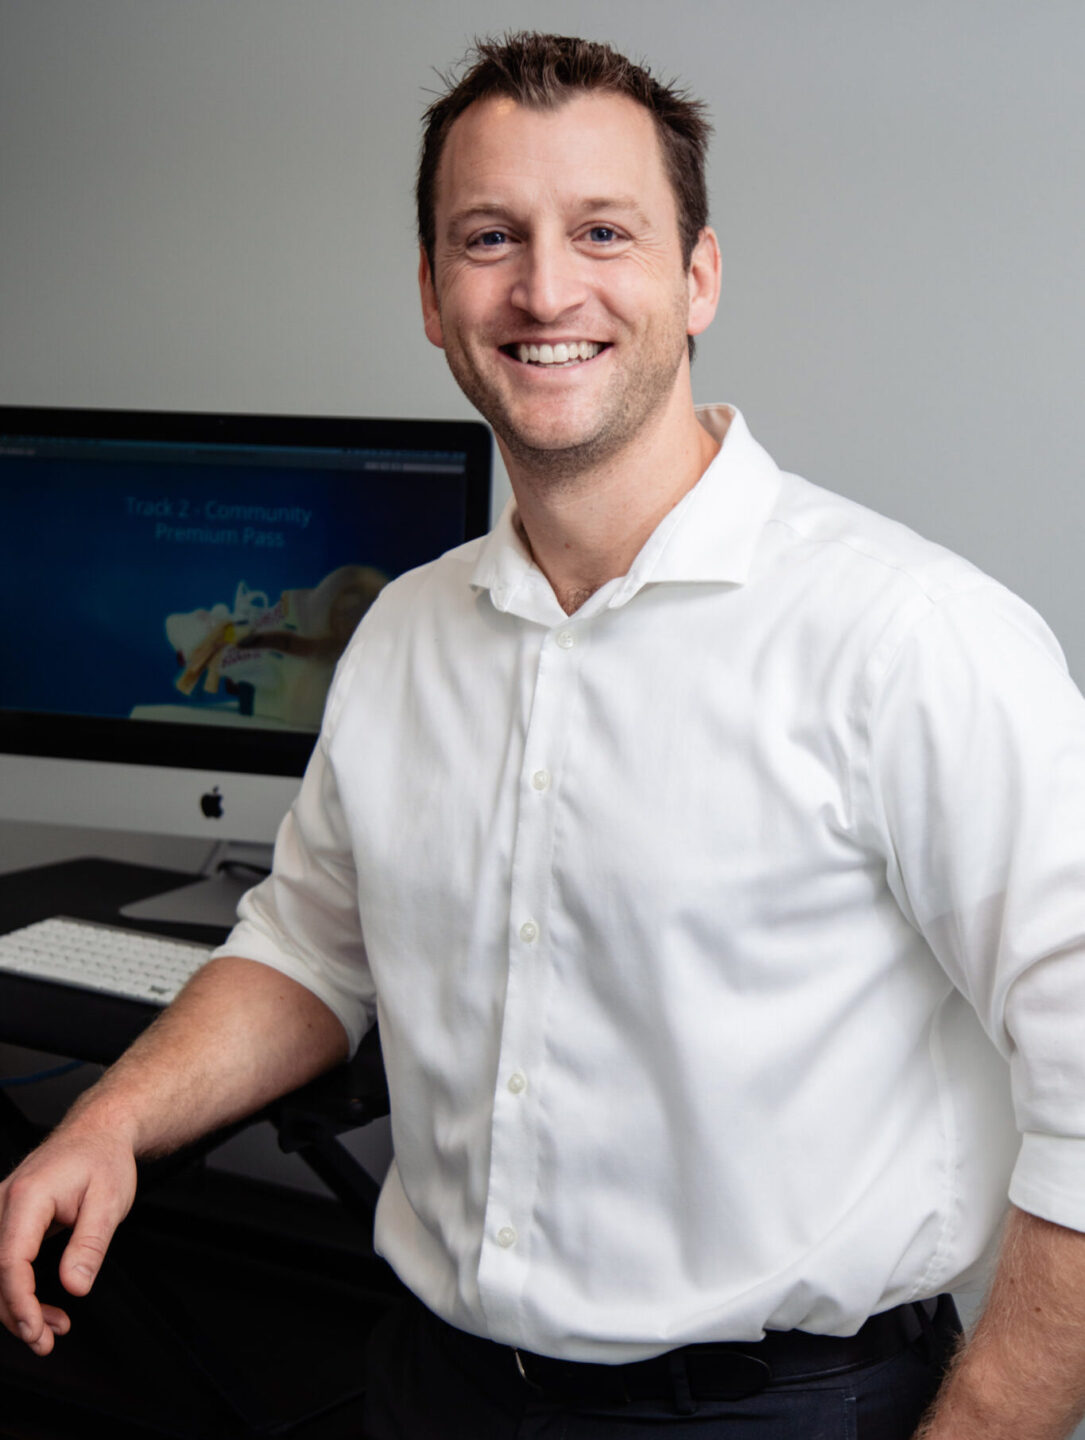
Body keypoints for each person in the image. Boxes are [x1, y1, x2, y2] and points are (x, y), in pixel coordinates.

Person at [3, 30, 1085, 1440]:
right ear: (432, 297)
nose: (544, 288)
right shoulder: (401, 633)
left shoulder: (908, 638)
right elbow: (310, 948)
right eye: (489, 237)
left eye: (602, 231)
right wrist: (108, 1120)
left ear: (696, 277)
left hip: (777, 1414)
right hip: (430, 1385)